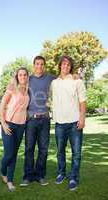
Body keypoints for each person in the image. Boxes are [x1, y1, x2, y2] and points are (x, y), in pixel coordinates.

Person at [51, 55, 87, 191]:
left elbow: (83, 101)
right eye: (63, 64)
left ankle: (74, 177)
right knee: (60, 151)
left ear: (70, 67)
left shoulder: (77, 81)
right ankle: (61, 173)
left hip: (74, 123)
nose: (65, 66)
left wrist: (82, 118)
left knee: (76, 153)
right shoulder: (54, 83)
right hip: (59, 123)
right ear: (60, 65)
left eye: (68, 65)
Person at [20, 56, 55, 186]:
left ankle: (40, 175)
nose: (39, 66)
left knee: (43, 149)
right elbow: (16, 84)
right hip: (31, 120)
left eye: (41, 64)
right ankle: (28, 176)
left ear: (44, 66)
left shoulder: (50, 78)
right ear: (33, 65)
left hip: (45, 119)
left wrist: (74, 76)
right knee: (29, 148)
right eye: (37, 64)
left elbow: (63, 78)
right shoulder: (28, 79)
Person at [0, 67, 29, 191]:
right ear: (17, 77)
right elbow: (2, 106)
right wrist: (3, 123)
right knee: (9, 153)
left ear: (27, 76)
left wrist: (75, 76)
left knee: (14, 154)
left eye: (25, 75)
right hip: (9, 124)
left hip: (21, 126)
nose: (22, 77)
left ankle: (10, 180)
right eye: (20, 75)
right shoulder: (12, 88)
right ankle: (2, 170)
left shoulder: (28, 89)